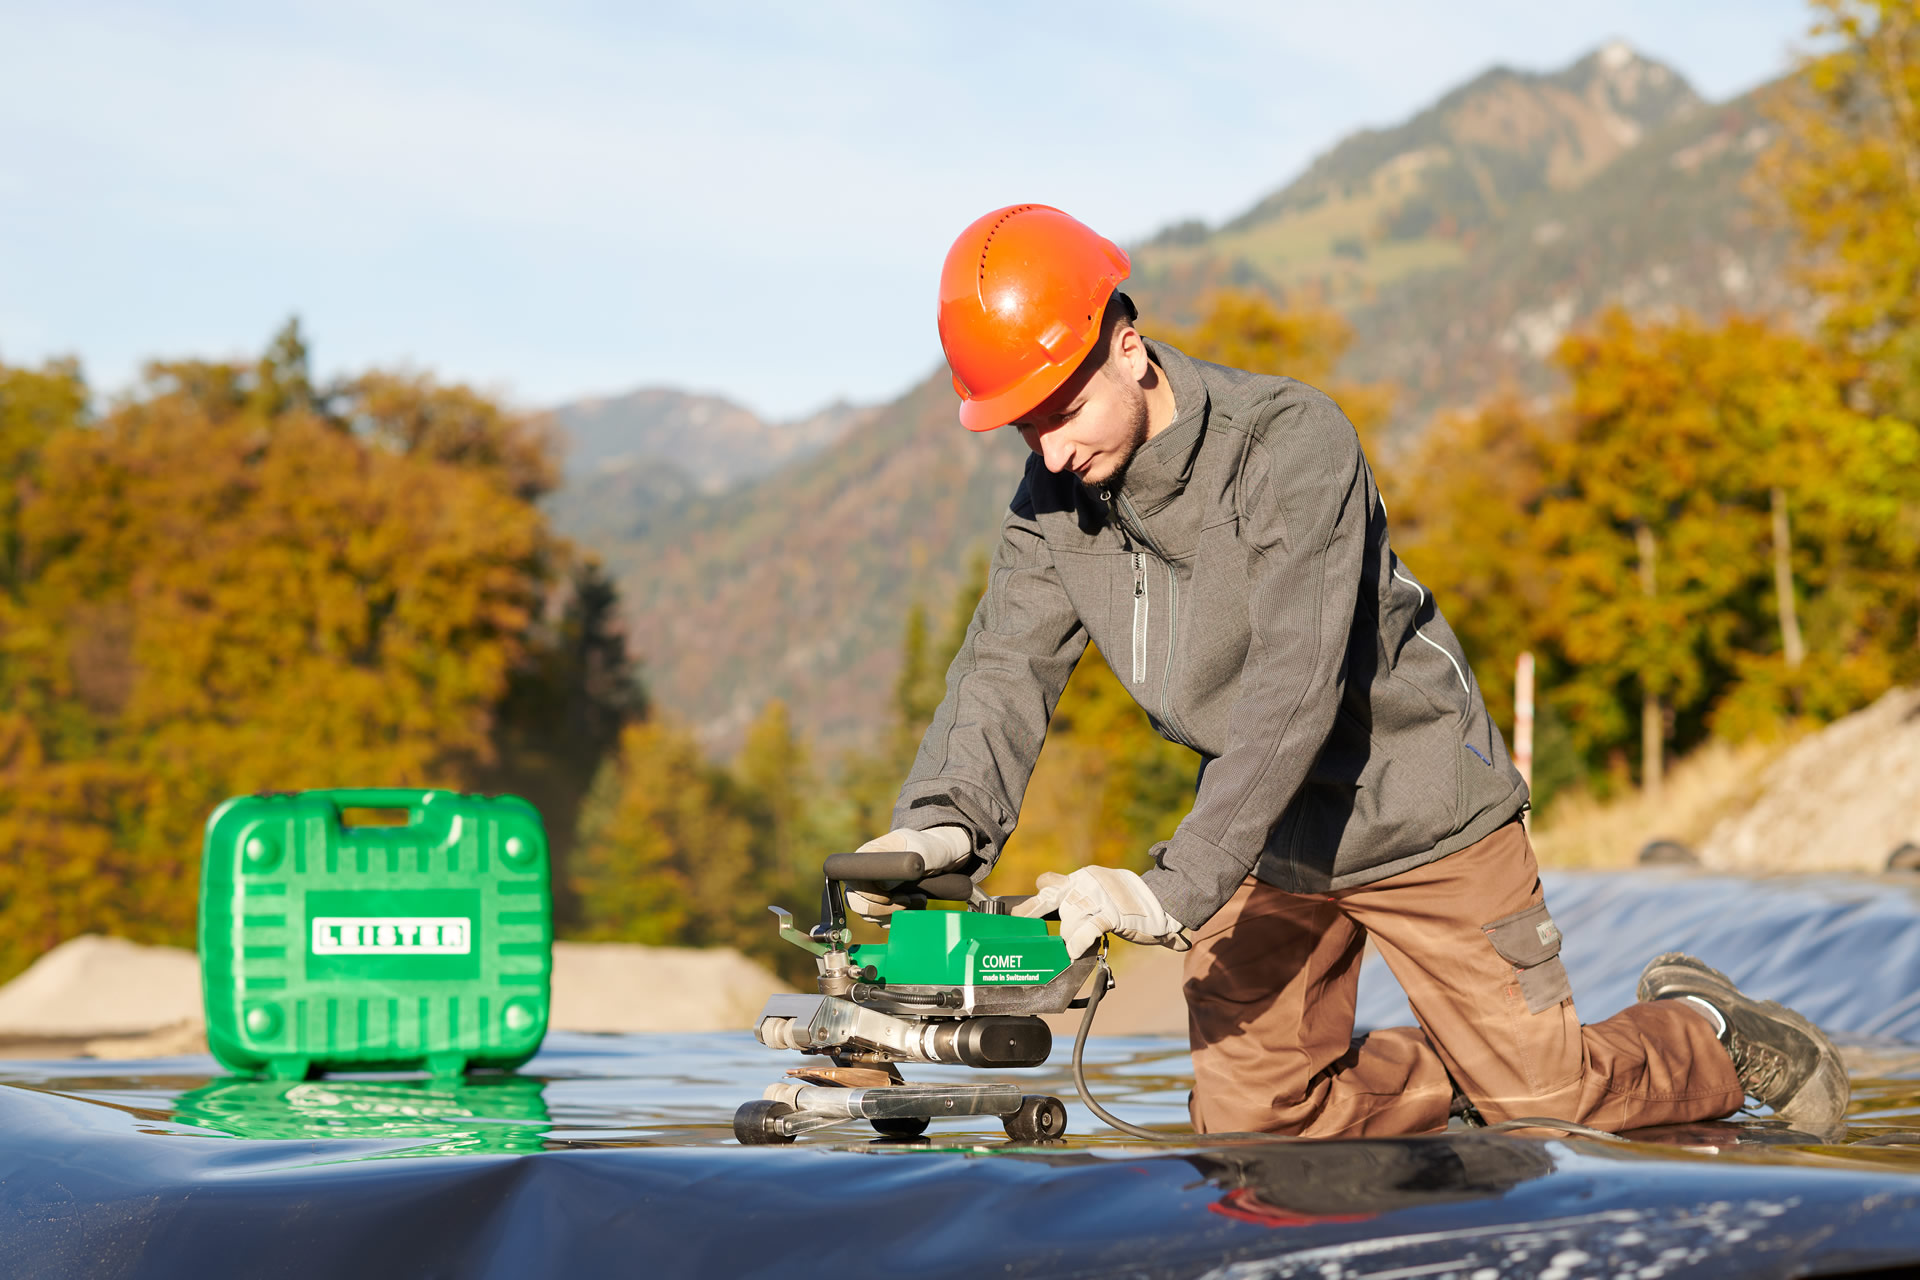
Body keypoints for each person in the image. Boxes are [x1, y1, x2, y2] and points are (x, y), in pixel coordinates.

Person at [852, 203, 1849, 1139]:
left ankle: (1700, 1029)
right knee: (1250, 1122)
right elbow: (1003, 668)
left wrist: (1165, 891)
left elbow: (1294, 684)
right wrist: (941, 820)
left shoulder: (1292, 440)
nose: (1052, 449)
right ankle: (1477, 1069)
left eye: (1061, 409)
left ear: (1127, 347)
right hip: (1267, 829)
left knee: (1550, 1105)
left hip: (1413, 801)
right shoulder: (1049, 504)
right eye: (1024, 425)